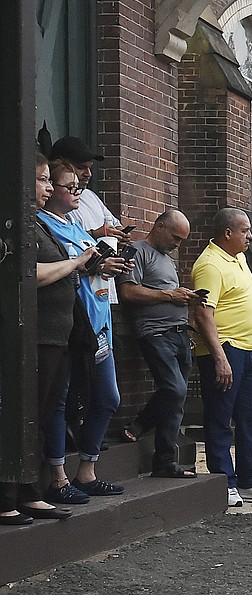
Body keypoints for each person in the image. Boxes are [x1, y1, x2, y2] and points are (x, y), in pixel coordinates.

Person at [0, 154, 90, 526]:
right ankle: (6, 497)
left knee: (39, 415)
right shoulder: (19, 227)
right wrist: (76, 262)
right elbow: (30, 274)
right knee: (19, 415)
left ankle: (30, 492)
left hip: (56, 336)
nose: (49, 187)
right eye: (41, 180)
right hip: (30, 337)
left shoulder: (39, 224)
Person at [38, 159, 130, 501]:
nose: (78, 192)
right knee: (60, 400)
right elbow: (62, 270)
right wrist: (91, 265)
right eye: (69, 186)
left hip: (99, 322)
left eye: (79, 187)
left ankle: (86, 471)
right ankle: (57, 477)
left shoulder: (75, 225)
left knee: (108, 397)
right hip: (70, 325)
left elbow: (86, 266)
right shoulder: (42, 226)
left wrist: (107, 266)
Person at [192, 208, 252, 506]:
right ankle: (224, 481)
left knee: (250, 416)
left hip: (249, 347)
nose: (250, 236)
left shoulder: (239, 257)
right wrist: (219, 357)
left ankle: (248, 479)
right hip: (225, 349)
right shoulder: (209, 265)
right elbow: (204, 314)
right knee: (220, 416)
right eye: (244, 230)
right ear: (227, 233)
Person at [117, 210, 200, 478]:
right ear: (159, 226)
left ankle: (165, 462)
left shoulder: (166, 259)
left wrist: (185, 297)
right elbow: (128, 291)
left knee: (177, 401)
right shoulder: (136, 251)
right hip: (155, 333)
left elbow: (168, 294)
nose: (178, 244)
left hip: (178, 333)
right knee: (173, 389)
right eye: (176, 237)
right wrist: (169, 294)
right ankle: (140, 424)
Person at [49, 136, 131, 304]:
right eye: (81, 168)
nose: (88, 174)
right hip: (78, 300)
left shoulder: (89, 198)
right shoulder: (48, 221)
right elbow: (69, 255)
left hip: (102, 295)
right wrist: (98, 235)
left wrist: (118, 246)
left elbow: (114, 226)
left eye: (90, 167)